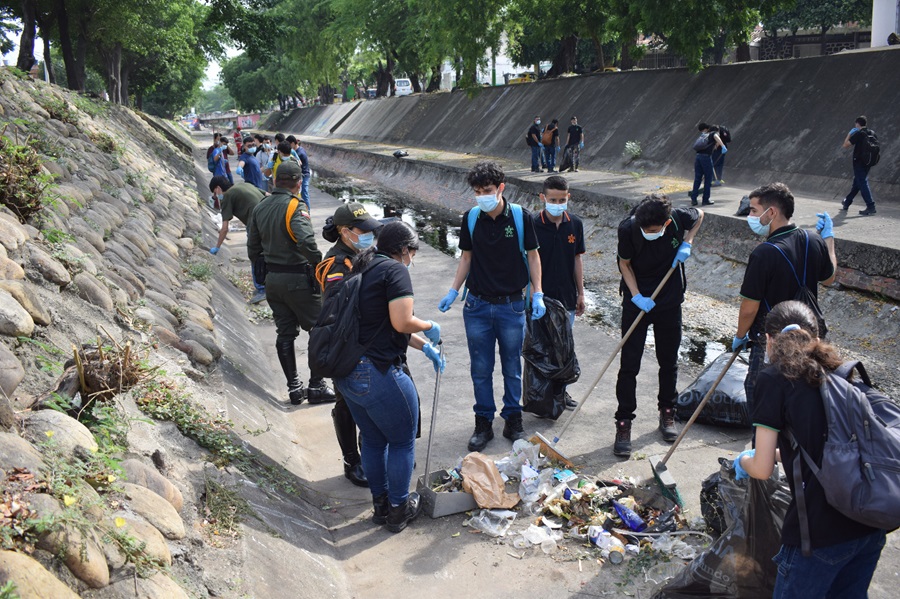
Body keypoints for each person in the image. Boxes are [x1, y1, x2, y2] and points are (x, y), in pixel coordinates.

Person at [734, 300, 886, 599]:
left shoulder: (772, 379)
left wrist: (744, 460)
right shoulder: (838, 373)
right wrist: (782, 455)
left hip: (819, 535)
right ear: (816, 338)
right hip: (869, 524)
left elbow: (762, 469)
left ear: (768, 340)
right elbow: (824, 446)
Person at [334, 221, 443, 533]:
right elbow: (401, 321)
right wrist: (428, 325)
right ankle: (399, 508)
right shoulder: (395, 271)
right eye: (412, 253)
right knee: (401, 441)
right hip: (377, 372)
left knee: (373, 438)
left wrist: (425, 347)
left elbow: (379, 325)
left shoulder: (361, 266)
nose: (412, 259)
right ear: (404, 249)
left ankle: (380, 506)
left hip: (349, 372)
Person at [438, 161, 545, 452]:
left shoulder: (522, 218)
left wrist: (537, 293)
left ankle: (513, 420)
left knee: (511, 367)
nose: (482, 196)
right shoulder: (471, 218)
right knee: (481, 368)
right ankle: (483, 422)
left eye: (487, 190)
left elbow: (534, 257)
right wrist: (453, 290)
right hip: (477, 306)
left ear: (501, 188)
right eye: (477, 191)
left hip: (511, 306)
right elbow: (466, 258)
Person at [732, 182, 837, 415]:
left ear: (771, 213)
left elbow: (749, 307)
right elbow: (829, 278)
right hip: (810, 335)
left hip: (772, 341)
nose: (749, 216)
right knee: (803, 398)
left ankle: (763, 451)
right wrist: (829, 238)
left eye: (753, 210)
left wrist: (740, 336)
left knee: (763, 400)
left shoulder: (764, 253)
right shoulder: (813, 239)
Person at [613, 194, 703, 457]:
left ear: (666, 223)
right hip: (637, 300)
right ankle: (623, 421)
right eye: (645, 230)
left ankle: (667, 412)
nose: (649, 233)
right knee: (629, 365)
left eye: (654, 230)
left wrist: (688, 242)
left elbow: (700, 216)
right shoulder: (628, 228)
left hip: (669, 299)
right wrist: (637, 296)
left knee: (669, 360)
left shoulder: (677, 219)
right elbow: (624, 264)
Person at [247, 161, 336, 405]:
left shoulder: (260, 207)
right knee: (320, 330)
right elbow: (306, 241)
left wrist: (266, 273)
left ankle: (294, 388)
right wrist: (319, 267)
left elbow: (253, 248)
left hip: (273, 281)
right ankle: (316, 386)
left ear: (275, 181)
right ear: (298, 184)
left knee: (285, 332)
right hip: (299, 279)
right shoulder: (295, 206)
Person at [315, 202, 384, 488]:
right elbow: (337, 310)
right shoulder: (336, 265)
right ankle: (351, 461)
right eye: (362, 230)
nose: (369, 234)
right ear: (345, 233)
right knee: (347, 402)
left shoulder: (360, 254)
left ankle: (373, 455)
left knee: (370, 401)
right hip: (344, 344)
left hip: (366, 339)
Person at [534, 175, 584, 410]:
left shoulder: (575, 224)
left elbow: (577, 259)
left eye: (562, 199)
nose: (557, 203)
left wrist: (581, 293)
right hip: (540, 297)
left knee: (563, 348)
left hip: (567, 297)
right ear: (543, 197)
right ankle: (541, 395)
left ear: (568, 198)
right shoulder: (533, 224)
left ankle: (561, 393)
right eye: (552, 199)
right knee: (541, 347)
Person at [208, 175, 267, 304]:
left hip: (256, 222)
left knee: (254, 254)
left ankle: (262, 289)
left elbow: (224, 228)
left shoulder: (227, 196)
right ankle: (267, 285)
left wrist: (217, 247)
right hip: (268, 217)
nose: (216, 197)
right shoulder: (243, 185)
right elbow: (267, 194)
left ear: (218, 189)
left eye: (214, 194)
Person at [841, 115, 878, 215]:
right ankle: (847, 202)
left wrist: (849, 134)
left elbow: (845, 145)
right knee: (857, 183)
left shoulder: (859, 133)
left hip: (859, 162)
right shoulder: (872, 133)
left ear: (857, 124)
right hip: (869, 162)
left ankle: (871, 206)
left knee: (862, 182)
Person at [688, 122, 723, 206]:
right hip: (706, 158)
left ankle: (694, 199)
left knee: (697, 178)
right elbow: (715, 136)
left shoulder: (704, 135)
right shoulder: (713, 133)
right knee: (708, 179)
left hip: (698, 157)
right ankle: (705, 199)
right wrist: (723, 146)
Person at [286, 135, 312, 210]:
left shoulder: (299, 153)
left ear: (293, 143)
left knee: (304, 193)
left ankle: (308, 211)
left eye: (289, 144)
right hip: (302, 174)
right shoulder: (299, 150)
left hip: (304, 175)